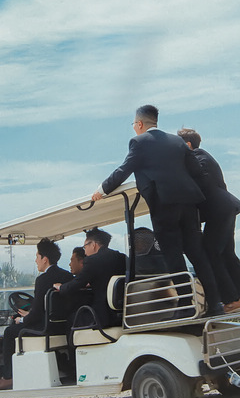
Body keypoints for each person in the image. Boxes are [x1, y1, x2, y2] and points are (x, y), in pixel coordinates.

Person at [92, 104, 223, 315]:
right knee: (197, 253)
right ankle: (216, 303)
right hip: (189, 203)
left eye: (134, 124)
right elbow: (197, 172)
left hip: (164, 204)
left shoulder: (138, 142)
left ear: (140, 124)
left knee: (173, 255)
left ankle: (185, 305)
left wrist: (102, 189)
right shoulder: (176, 141)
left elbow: (125, 169)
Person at [177, 128, 240, 312]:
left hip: (218, 210)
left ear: (187, 145)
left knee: (210, 252)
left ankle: (232, 299)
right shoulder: (203, 156)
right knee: (227, 254)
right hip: (224, 209)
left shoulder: (198, 157)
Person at [0, 238, 72, 391]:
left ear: (45, 259)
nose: (35, 260)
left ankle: (8, 376)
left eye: (37, 256)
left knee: (10, 332)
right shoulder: (67, 276)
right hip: (62, 326)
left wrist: (22, 319)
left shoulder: (42, 280)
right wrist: (29, 314)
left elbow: (37, 314)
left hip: (46, 327)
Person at [54, 228, 126, 327]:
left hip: (102, 316)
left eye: (85, 247)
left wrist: (61, 287)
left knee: (71, 319)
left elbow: (78, 283)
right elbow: (105, 278)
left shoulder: (91, 260)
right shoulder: (122, 257)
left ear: (93, 245)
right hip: (122, 314)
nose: (85, 252)